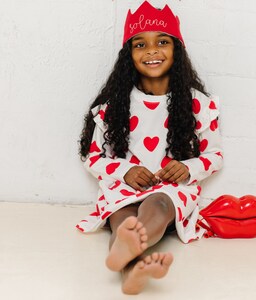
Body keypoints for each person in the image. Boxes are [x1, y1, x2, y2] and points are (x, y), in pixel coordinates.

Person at [77, 0, 223, 295]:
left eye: (163, 42)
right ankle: (133, 270)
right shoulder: (114, 106)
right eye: (140, 45)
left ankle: (129, 245)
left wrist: (186, 168)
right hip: (124, 188)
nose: (152, 50)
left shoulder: (197, 104)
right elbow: (92, 156)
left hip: (171, 190)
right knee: (123, 218)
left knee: (156, 205)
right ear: (128, 55)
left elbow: (214, 156)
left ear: (176, 50)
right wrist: (126, 171)